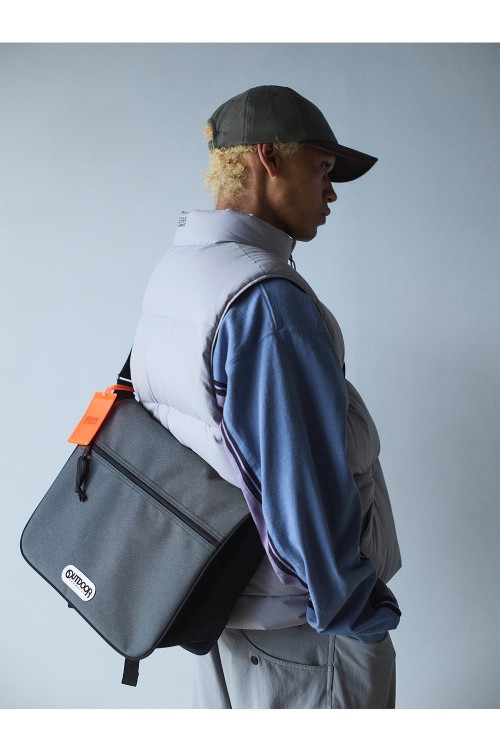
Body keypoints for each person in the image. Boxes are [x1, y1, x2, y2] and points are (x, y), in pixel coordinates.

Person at [131, 85, 402, 709]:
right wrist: (357, 612)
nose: (331, 193)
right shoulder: (267, 302)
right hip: (306, 633)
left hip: (225, 603)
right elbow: (301, 487)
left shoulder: (184, 269)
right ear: (269, 158)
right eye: (323, 168)